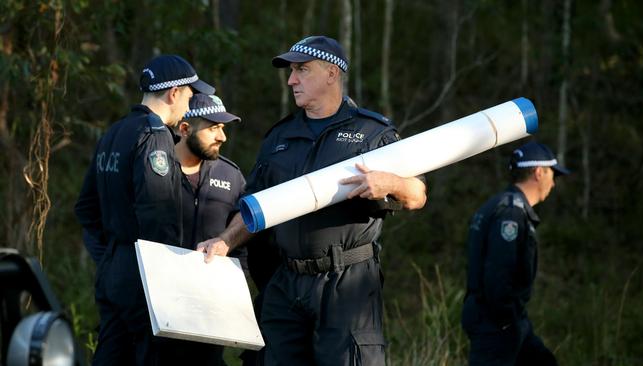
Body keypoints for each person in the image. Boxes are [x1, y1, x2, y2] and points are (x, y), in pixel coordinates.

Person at [197, 35, 427, 366]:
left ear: (332, 73)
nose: (291, 80)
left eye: (302, 70)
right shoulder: (280, 137)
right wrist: (224, 241)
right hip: (287, 281)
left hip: (346, 282)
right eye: (291, 71)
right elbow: (255, 205)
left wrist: (390, 182)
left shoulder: (372, 133)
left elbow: (417, 194)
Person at [74, 54, 215, 365]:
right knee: (153, 357)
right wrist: (168, 277)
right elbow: (159, 216)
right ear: (173, 93)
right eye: (190, 95)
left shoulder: (113, 133)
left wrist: (110, 254)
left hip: (113, 266)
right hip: (146, 272)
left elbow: (86, 208)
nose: (191, 103)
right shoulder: (155, 136)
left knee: (111, 353)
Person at [461, 141, 568, 366]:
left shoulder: (500, 205)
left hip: (508, 320)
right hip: (496, 322)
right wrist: (506, 320)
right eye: (552, 174)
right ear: (539, 172)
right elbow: (499, 273)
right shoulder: (510, 212)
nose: (554, 183)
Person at [170, 93, 246, 365]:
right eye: (213, 127)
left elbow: (244, 233)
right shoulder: (154, 168)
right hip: (157, 307)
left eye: (223, 128)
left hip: (208, 313)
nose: (222, 137)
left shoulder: (231, 175)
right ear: (184, 129)